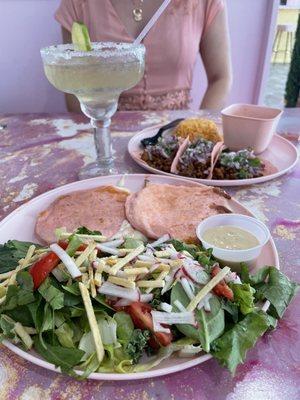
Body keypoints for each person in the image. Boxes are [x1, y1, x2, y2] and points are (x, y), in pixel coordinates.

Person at [55, 0, 232, 112]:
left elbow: (221, 78)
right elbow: (73, 85)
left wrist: (198, 134)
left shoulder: (203, 3)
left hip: (174, 138)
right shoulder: (78, 4)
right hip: (104, 138)